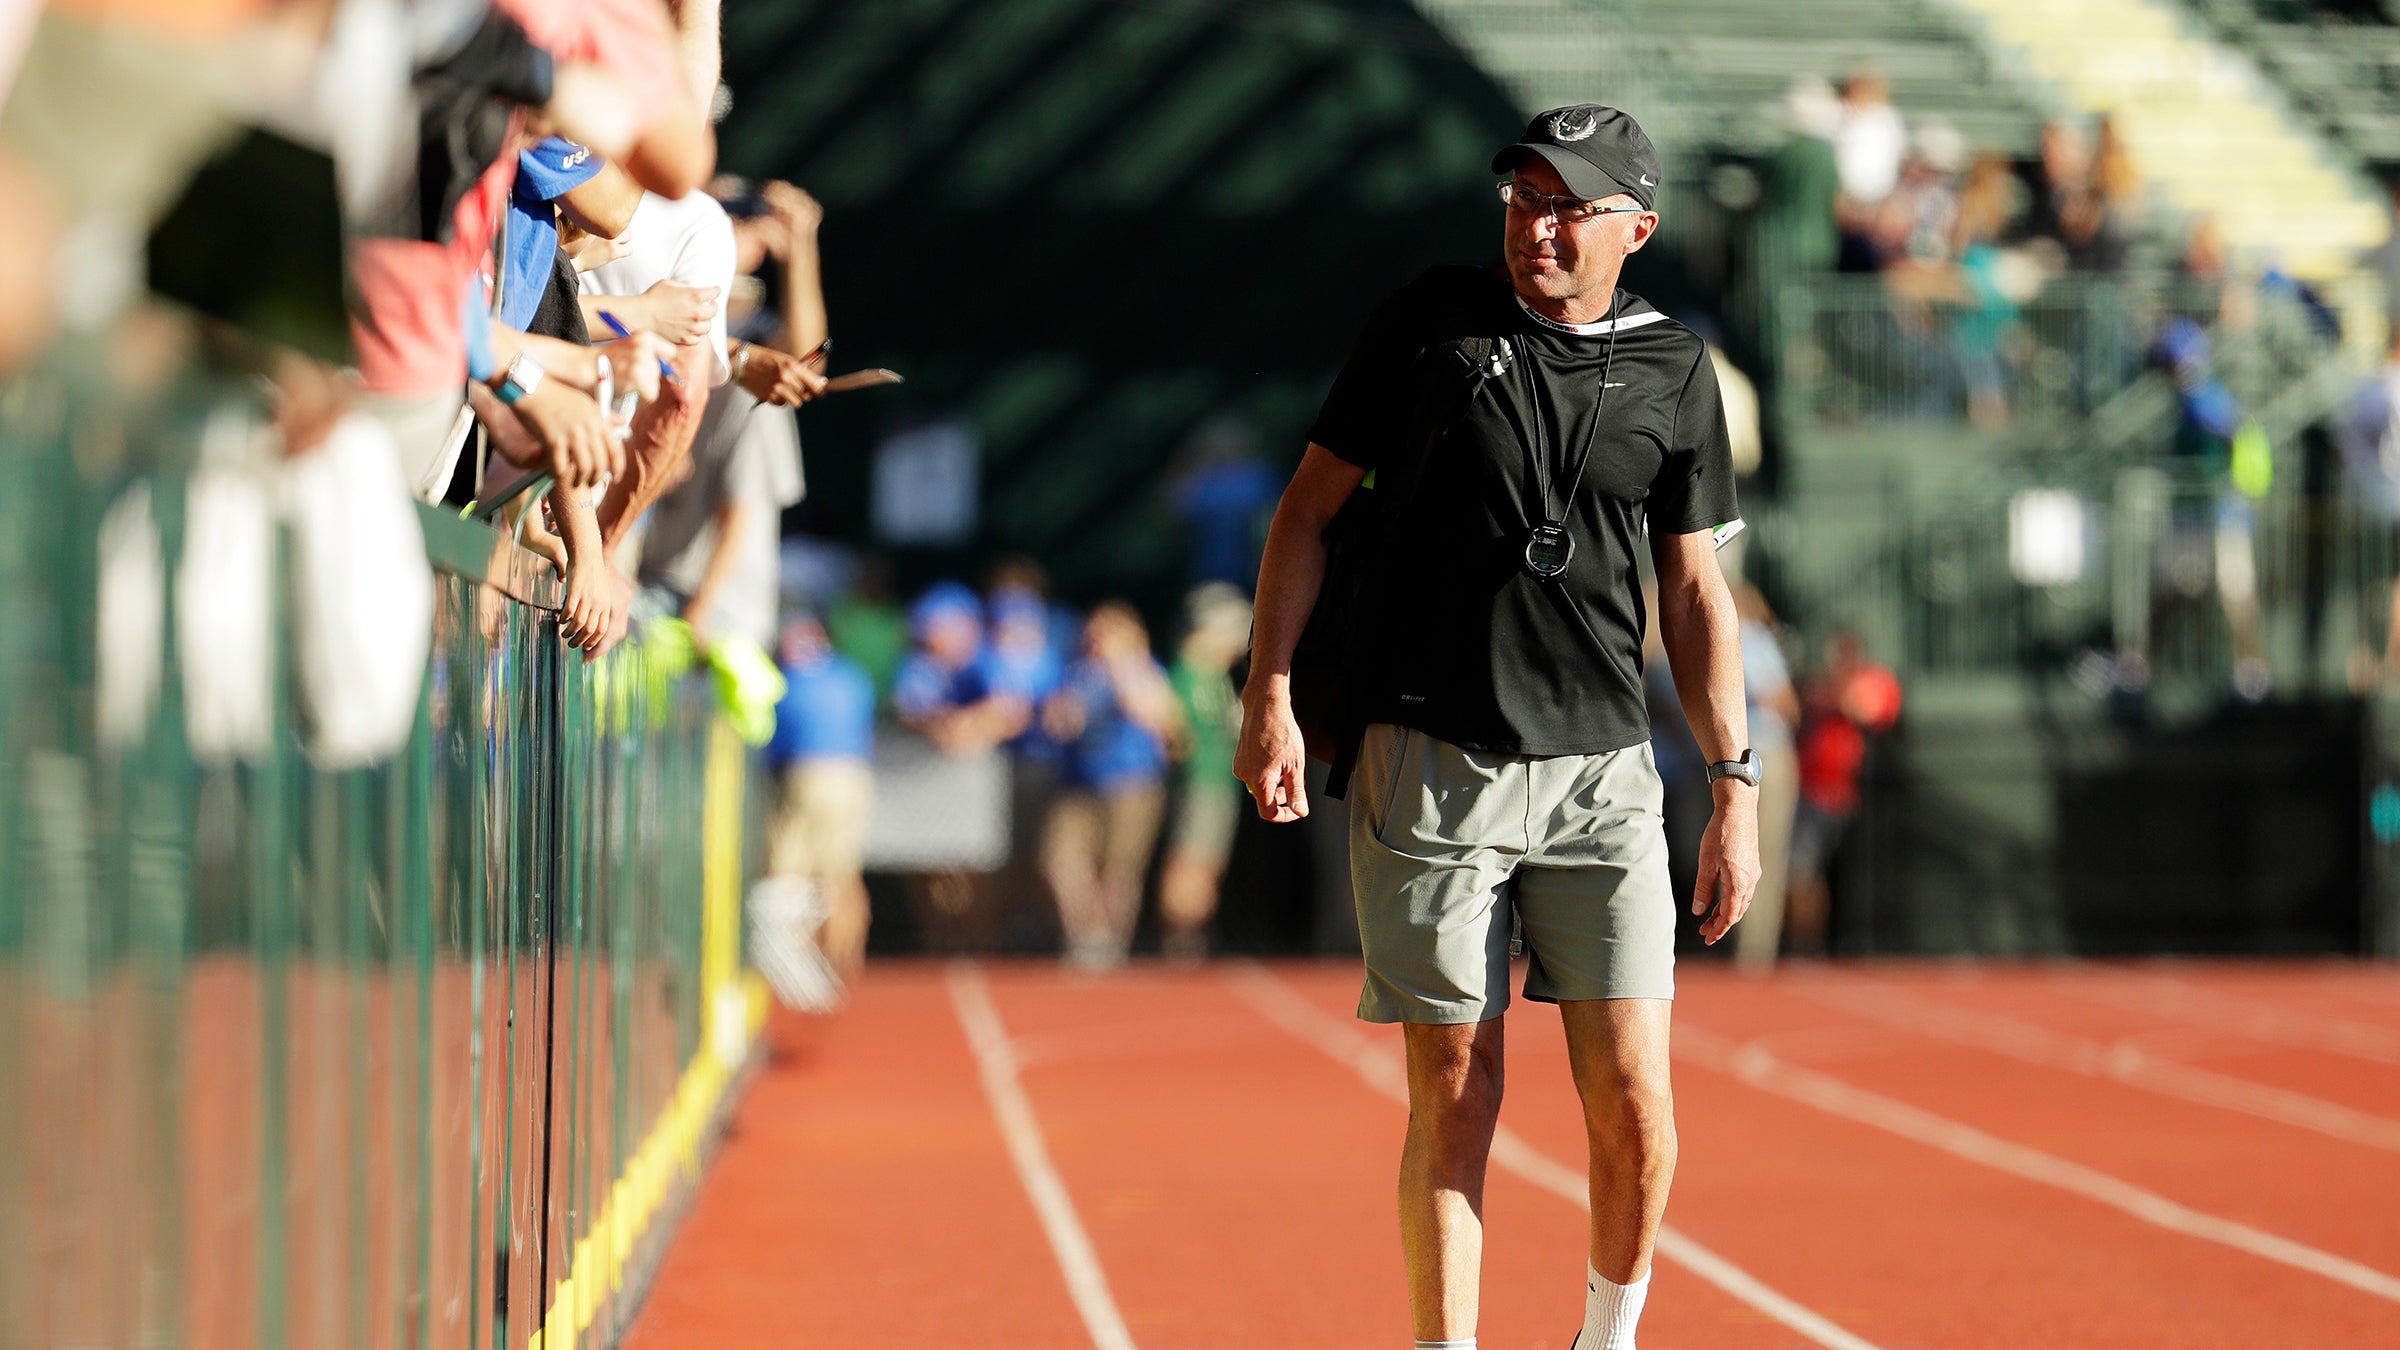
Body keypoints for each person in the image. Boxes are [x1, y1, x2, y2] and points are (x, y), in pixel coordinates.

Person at [1236, 105, 1758, 1350]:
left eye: (1572, 204)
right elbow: (1304, 515)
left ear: (1636, 226)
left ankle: (1609, 1334)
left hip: (1604, 775)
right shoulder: (1427, 326)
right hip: (1431, 759)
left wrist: (1733, 781)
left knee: (1634, 1098)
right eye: (1525, 197)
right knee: (1456, 1091)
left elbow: (1693, 590)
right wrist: (1270, 697)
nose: (1541, 223)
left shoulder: (1678, 371)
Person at [1042, 602, 1181, 970]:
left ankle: (1111, 940)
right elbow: (1060, 723)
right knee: (1061, 862)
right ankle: (1083, 935)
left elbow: (1154, 716)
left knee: (1120, 869)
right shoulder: (1079, 673)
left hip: (1132, 783)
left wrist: (1120, 668)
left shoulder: (1147, 671)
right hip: (1079, 782)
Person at [766, 610, 877, 977]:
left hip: (805, 776)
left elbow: (773, 738)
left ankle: (803, 961)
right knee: (841, 872)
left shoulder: (787, 679)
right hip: (853, 777)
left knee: (791, 874)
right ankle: (846, 957)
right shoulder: (852, 676)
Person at [1159, 584, 1254, 963]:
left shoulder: (1215, 676)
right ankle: (1181, 938)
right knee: (1190, 860)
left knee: (1208, 862)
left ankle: (1193, 936)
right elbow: (1174, 731)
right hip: (1201, 781)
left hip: (1219, 782)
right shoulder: (1190, 673)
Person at [1729, 586, 1802, 972]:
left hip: (1735, 757)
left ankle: (1749, 951)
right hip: (1761, 755)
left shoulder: (1743, 636)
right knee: (1765, 856)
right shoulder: (1751, 637)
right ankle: (1754, 954)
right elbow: (1785, 703)